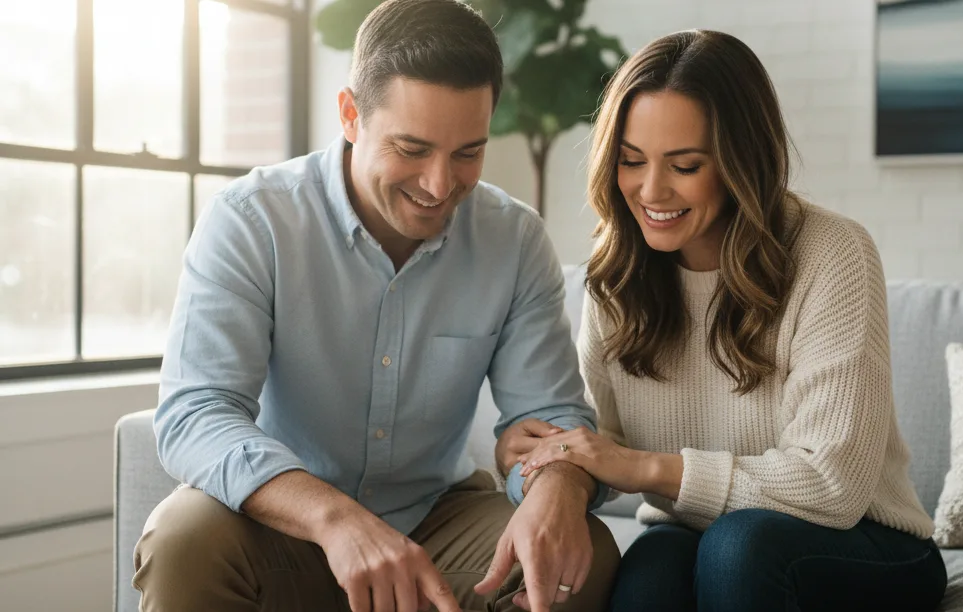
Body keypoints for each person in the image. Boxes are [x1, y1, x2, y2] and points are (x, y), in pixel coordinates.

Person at [133, 1, 620, 611]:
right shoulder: (253, 220)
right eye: (411, 148)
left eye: (467, 152)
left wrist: (559, 483)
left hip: (436, 518)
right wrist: (335, 518)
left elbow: (552, 418)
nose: (440, 185)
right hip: (284, 522)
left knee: (583, 552)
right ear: (349, 115)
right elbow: (195, 413)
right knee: (183, 540)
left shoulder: (513, 240)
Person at [499, 29, 948, 611]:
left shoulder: (833, 254)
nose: (650, 190)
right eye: (631, 161)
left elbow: (832, 488)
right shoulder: (615, 277)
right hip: (698, 532)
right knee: (648, 576)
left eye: (684, 165)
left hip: (867, 542)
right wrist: (539, 463)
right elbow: (601, 445)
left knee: (738, 549)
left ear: (741, 162)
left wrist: (642, 467)